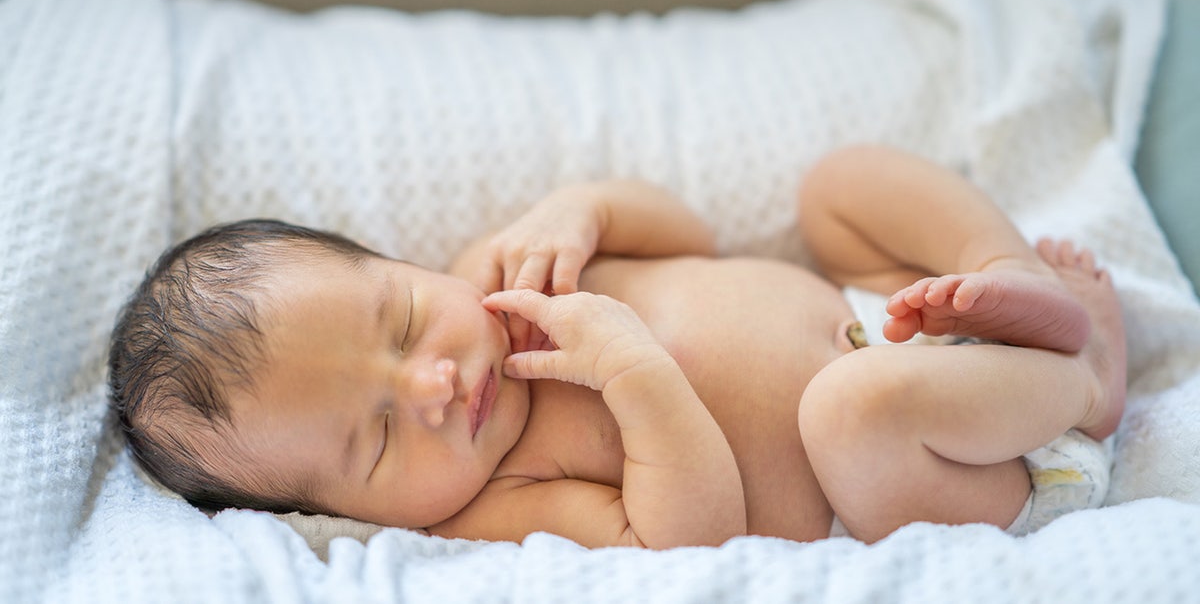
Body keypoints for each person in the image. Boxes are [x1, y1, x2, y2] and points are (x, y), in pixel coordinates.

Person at [107, 145, 1127, 548]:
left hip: (891, 311)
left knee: (839, 186)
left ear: (399, 264)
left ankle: (1014, 283)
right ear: (336, 511)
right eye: (376, 438)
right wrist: (636, 378)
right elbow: (684, 543)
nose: (431, 382)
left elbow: (687, 238)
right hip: (946, 473)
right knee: (847, 409)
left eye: (405, 322)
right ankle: (1083, 382)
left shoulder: (504, 270)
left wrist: (583, 210)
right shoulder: (496, 502)